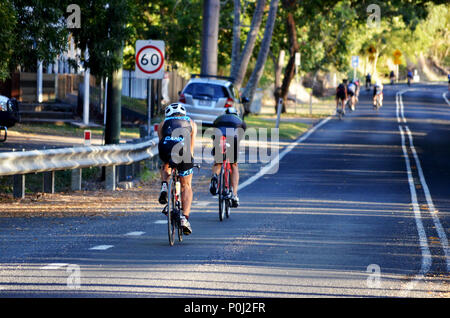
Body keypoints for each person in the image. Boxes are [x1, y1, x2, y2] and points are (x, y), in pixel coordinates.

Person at [157, 103, 197, 235]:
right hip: (182, 150)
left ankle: (164, 185)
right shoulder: (191, 122)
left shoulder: (163, 123)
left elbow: (161, 141)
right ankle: (184, 218)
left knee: (166, 164)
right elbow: (191, 148)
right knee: (186, 185)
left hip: (165, 148)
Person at [209, 107, 246, 208]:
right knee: (234, 165)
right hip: (232, 139)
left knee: (218, 162)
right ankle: (234, 194)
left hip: (219, 137)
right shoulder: (239, 120)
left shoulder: (220, 118)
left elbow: (214, 130)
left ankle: (215, 177)